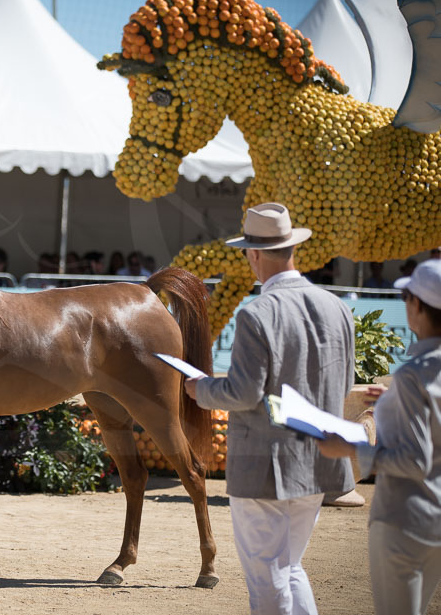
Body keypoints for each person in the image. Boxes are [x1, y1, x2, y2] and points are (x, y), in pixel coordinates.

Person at [184, 202, 355, 615]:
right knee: (290, 568)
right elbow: (345, 384)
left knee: (268, 579)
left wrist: (200, 388)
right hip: (319, 462)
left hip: (265, 467)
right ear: (292, 248)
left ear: (254, 255)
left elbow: (243, 394)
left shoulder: (258, 313)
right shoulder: (337, 307)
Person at [318, 259, 441, 615]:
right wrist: (394, 401)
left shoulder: (414, 375)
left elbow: (414, 459)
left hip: (405, 519)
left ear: (418, 306)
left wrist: (351, 449)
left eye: (407, 297)